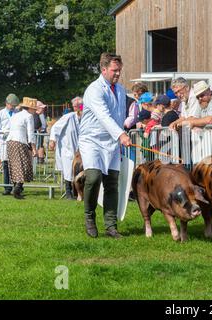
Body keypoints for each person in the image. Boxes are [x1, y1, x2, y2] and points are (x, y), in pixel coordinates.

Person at [79, 53, 132, 239]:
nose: (117, 74)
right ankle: (89, 216)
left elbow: (118, 115)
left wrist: (121, 133)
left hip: (111, 141)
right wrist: (121, 134)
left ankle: (111, 225)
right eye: (114, 70)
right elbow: (103, 115)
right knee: (93, 178)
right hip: (92, 139)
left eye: (119, 70)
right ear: (103, 70)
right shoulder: (94, 89)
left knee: (112, 183)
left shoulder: (120, 89)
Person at [49, 96, 83, 199]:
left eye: (78, 106)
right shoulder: (68, 117)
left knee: (77, 170)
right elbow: (55, 127)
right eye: (75, 106)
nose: (76, 108)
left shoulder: (84, 118)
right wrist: (52, 140)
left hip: (78, 149)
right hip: (67, 148)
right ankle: (68, 192)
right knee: (68, 170)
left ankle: (78, 192)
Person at [5, 97, 38, 199]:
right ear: (30, 108)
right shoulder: (29, 116)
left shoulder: (16, 115)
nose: (35, 111)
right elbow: (30, 133)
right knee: (23, 165)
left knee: (15, 166)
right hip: (19, 142)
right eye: (34, 109)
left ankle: (17, 188)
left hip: (10, 142)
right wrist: (34, 148)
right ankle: (17, 190)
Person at [0, 93, 20, 195]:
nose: (13, 107)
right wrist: (3, 133)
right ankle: (7, 188)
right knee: (5, 165)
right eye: (11, 105)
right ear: (6, 103)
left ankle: (16, 187)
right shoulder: (0, 114)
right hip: (4, 142)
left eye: (14, 105)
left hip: (15, 141)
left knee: (15, 165)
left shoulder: (18, 113)